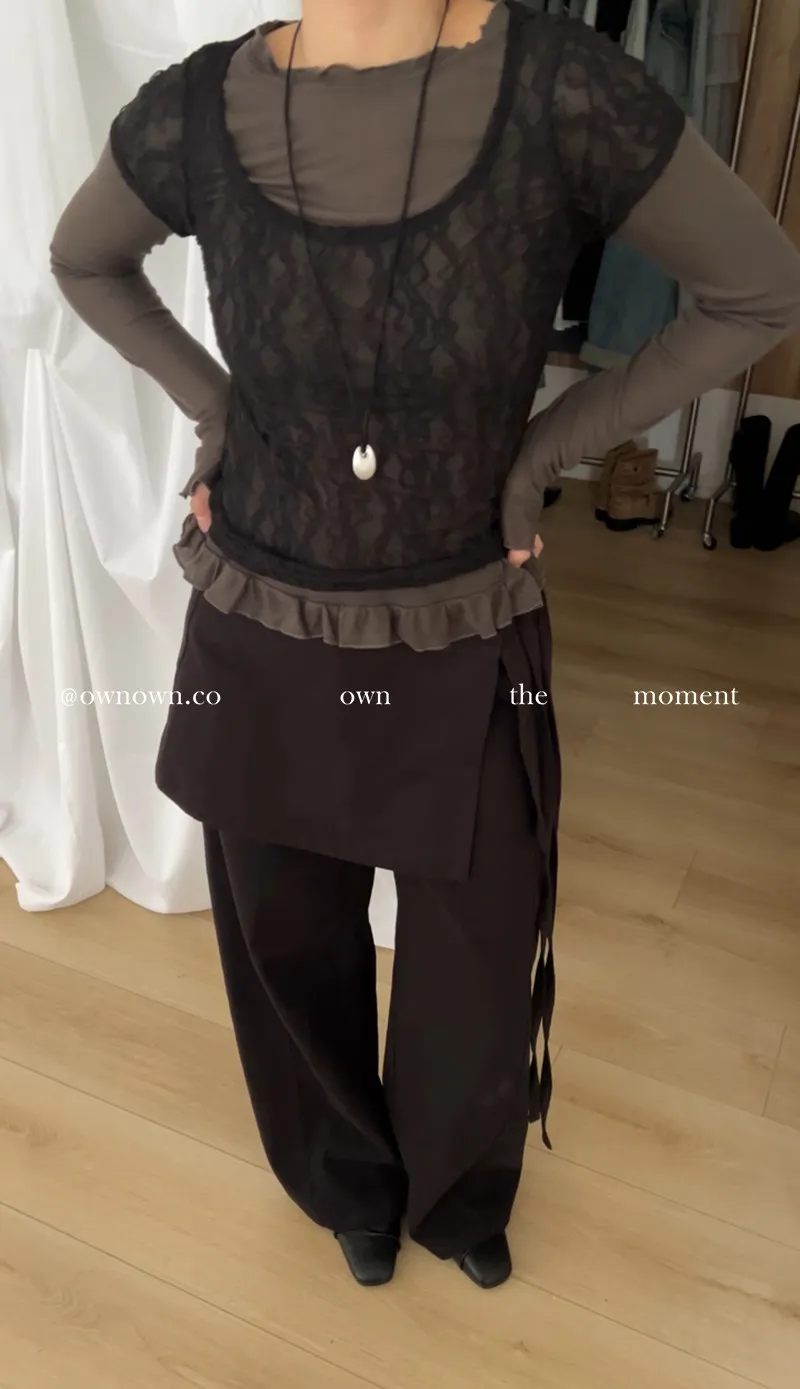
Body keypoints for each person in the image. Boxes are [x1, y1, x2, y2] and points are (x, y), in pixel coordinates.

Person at [50, 0, 800, 1291]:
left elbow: (758, 288)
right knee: (285, 921)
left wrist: (549, 451)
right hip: (266, 601)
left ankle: (458, 1187)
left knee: (475, 932)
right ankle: (344, 1172)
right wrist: (215, 407)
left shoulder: (563, 91)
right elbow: (83, 260)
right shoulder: (196, 108)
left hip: (463, 609)